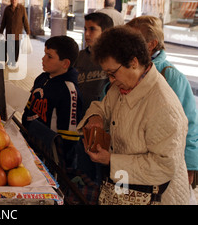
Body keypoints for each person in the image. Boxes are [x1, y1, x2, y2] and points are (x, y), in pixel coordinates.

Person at [78, 26, 189, 205]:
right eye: (107, 74)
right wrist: (95, 118)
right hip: (125, 190)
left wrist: (111, 160)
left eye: (113, 73)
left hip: (159, 198)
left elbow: (163, 166)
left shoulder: (163, 106)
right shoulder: (122, 86)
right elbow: (101, 107)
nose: (111, 80)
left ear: (134, 62)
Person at [126, 15, 198, 188]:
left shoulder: (171, 76)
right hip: (129, 160)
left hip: (159, 163)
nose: (126, 47)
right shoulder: (126, 70)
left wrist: (190, 165)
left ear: (151, 44)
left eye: (133, 41)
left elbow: (188, 122)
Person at [22, 36, 83, 168]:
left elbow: (69, 138)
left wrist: (60, 164)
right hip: (32, 146)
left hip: (50, 159)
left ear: (65, 63)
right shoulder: (42, 78)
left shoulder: (69, 91)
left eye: (49, 56)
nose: (43, 59)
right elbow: (28, 109)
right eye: (44, 54)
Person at [76, 12, 114, 112]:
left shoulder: (114, 59)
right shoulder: (79, 56)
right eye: (85, 29)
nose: (87, 34)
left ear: (105, 32)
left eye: (92, 29)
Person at [0, 0, 31, 67]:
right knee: (9, 47)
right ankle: (10, 59)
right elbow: (3, 21)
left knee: (16, 48)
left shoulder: (22, 8)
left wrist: (27, 30)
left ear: (17, 0)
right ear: (10, 1)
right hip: (9, 32)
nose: (14, 0)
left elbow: (25, 20)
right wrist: (1, 31)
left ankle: (14, 61)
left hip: (18, 32)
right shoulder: (7, 9)